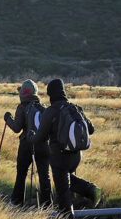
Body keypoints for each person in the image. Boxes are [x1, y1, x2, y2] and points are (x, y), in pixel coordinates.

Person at [28, 79, 101, 218]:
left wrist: (31, 136)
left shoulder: (51, 111)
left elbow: (41, 137)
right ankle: (91, 190)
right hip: (76, 156)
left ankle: (89, 191)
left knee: (63, 195)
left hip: (59, 157)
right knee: (66, 181)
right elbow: (90, 129)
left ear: (50, 94)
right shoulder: (75, 108)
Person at [4, 79, 51, 207]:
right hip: (43, 144)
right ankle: (48, 205)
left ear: (23, 94)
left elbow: (16, 128)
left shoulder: (22, 107)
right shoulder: (43, 108)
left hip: (26, 144)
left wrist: (8, 118)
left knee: (21, 173)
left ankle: (16, 201)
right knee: (44, 175)